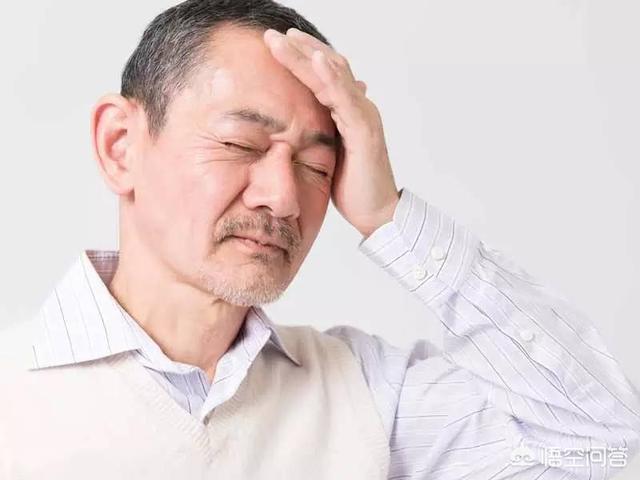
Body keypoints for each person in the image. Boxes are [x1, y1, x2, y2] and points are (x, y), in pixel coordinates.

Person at [0, 1, 638, 479]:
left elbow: (603, 440)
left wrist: (388, 215)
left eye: (316, 164)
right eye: (241, 143)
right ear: (120, 145)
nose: (282, 197)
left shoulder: (369, 398)